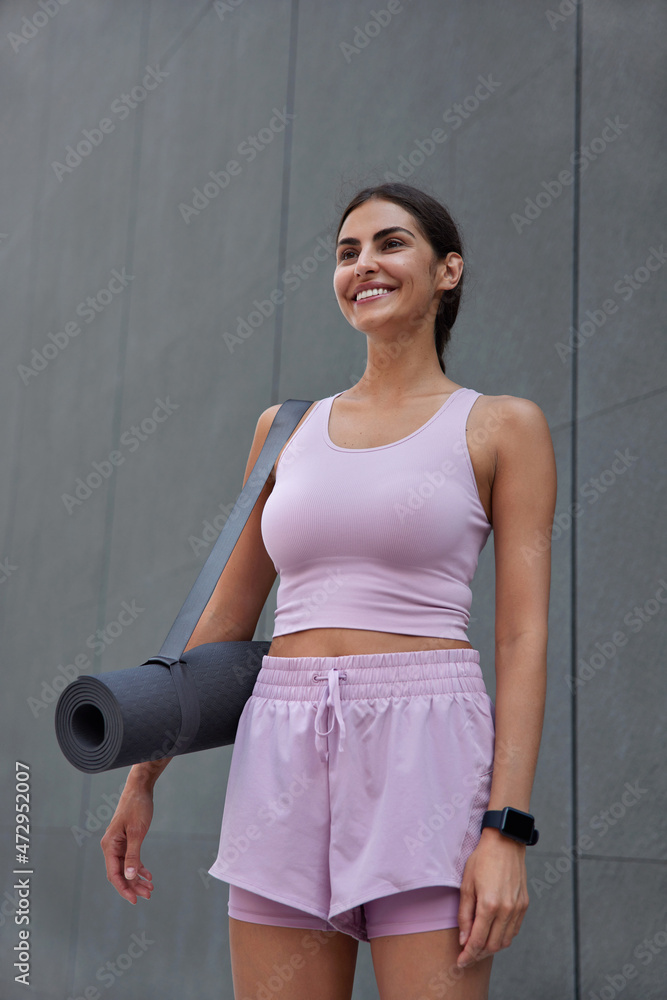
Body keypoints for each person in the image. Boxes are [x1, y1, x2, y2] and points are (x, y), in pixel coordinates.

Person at [101, 181, 557, 1000]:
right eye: (346, 253)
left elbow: (522, 640)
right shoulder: (284, 429)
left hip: (427, 752)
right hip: (280, 748)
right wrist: (143, 775)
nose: (363, 265)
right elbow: (227, 618)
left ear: (447, 270)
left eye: (389, 243)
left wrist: (505, 831)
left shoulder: (498, 425)